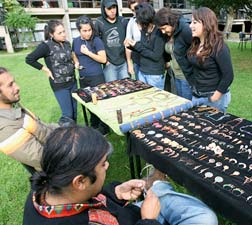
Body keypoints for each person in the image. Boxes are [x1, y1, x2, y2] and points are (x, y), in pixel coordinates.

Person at [23, 126, 218, 225]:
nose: (107, 166)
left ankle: (156, 186)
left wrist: (115, 192)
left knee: (198, 213)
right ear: (80, 181)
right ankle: (157, 186)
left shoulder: (46, 187)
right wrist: (148, 220)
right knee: (205, 218)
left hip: (128, 214)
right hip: (141, 219)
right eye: (102, 164)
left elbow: (86, 202)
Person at [0, 67, 57, 172]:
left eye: (14, 82)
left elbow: (41, 126)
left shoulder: (13, 107)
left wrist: (66, 131)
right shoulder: (4, 128)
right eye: (10, 85)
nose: (17, 87)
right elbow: (43, 159)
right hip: (59, 172)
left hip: (56, 144)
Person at [26, 20, 77, 126]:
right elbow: (29, 59)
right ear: (51, 34)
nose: (63, 34)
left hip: (73, 82)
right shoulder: (46, 46)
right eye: (60, 33)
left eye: (64, 31)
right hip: (59, 85)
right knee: (67, 115)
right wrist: (45, 69)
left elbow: (71, 55)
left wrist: (75, 62)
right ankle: (65, 138)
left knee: (74, 112)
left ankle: (74, 135)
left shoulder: (67, 43)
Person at [187, 7, 234, 112]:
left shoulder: (220, 47)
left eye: (195, 22)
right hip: (196, 95)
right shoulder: (196, 44)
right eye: (191, 22)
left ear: (206, 24)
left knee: (212, 127)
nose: (190, 26)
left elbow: (228, 75)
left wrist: (215, 97)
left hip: (213, 98)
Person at [72, 15, 110, 135]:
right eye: (85, 31)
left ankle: (104, 128)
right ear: (79, 30)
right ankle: (94, 126)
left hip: (96, 76)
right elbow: (74, 53)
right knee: (88, 103)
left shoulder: (97, 41)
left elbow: (103, 59)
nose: (88, 33)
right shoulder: (76, 41)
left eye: (89, 30)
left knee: (99, 102)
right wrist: (76, 62)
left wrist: (88, 53)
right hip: (83, 78)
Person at [124, 3, 166, 90]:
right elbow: (144, 48)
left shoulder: (159, 32)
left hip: (154, 74)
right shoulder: (144, 29)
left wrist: (136, 45)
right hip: (142, 71)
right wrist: (131, 46)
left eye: (138, 19)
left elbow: (156, 56)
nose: (136, 22)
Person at [154, 7, 193, 100]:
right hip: (175, 75)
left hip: (186, 77)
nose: (163, 32)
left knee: (187, 106)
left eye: (164, 28)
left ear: (170, 22)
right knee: (180, 103)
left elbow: (197, 51)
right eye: (161, 29)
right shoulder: (170, 33)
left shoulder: (185, 30)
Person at [94, 0, 129, 82]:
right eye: (109, 8)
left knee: (127, 89)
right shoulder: (99, 22)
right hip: (109, 64)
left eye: (114, 7)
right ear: (104, 9)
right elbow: (96, 43)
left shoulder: (123, 21)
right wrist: (105, 60)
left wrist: (128, 61)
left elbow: (129, 40)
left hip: (123, 63)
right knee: (112, 91)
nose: (112, 11)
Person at [125, 0, 146, 79]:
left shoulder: (151, 19)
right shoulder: (131, 22)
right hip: (137, 60)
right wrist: (130, 63)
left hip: (151, 62)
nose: (135, 13)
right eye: (133, 10)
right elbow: (128, 44)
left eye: (136, 9)